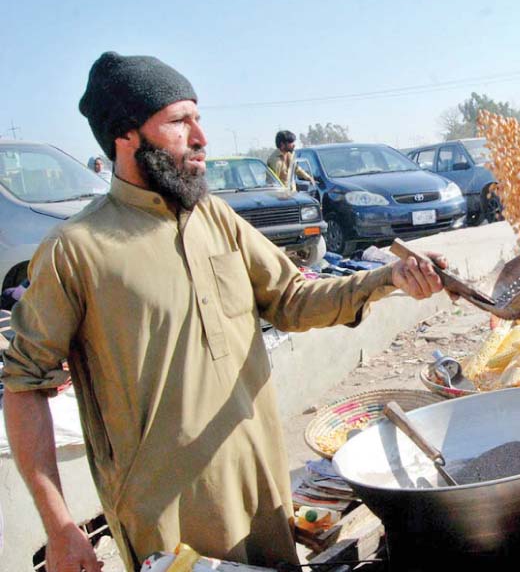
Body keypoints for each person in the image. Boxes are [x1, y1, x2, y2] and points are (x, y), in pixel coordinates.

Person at [2, 52, 450, 572]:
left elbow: (290, 299)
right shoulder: (76, 249)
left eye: (198, 117)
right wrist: (60, 527)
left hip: (260, 488)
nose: (201, 137)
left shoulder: (215, 217)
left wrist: (385, 279)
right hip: (169, 518)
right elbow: (24, 388)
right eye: (178, 121)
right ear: (125, 134)